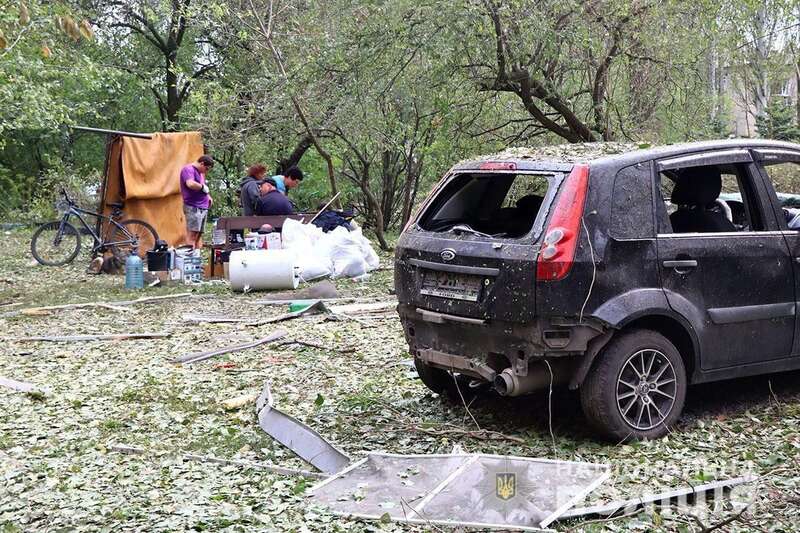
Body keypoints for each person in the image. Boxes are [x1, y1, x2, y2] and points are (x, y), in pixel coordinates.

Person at [180, 155, 214, 249]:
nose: (206, 171)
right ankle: (190, 260)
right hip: (193, 207)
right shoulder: (188, 169)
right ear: (202, 163)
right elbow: (190, 184)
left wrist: (208, 196)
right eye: (206, 168)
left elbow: (202, 187)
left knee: (199, 235)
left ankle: (197, 259)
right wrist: (203, 187)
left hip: (203, 206)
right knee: (192, 235)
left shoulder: (200, 173)